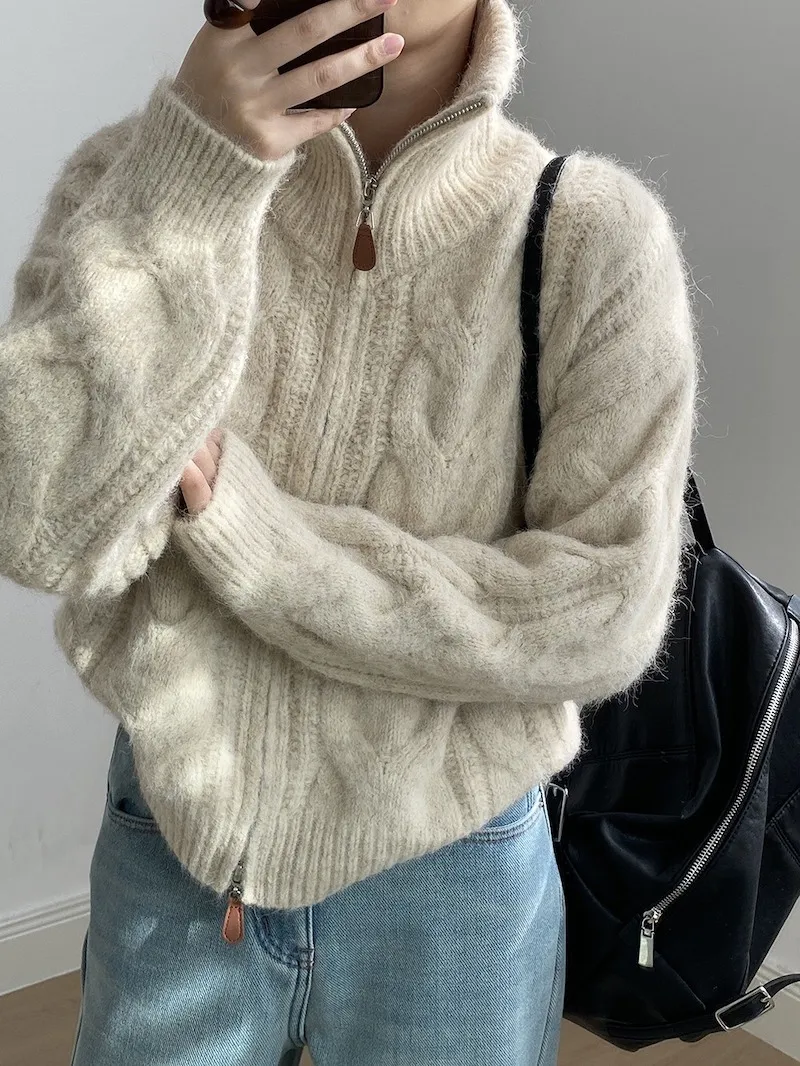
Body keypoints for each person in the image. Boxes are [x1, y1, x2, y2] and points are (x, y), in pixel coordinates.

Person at [0, 0, 700, 1062]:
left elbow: (602, 614)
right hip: (178, 840)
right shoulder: (133, 182)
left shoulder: (591, 235)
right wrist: (195, 172)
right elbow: (39, 526)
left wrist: (254, 535)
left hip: (453, 867)